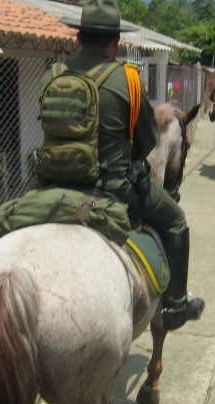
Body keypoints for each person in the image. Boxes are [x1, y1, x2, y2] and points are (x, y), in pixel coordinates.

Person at [44, 0, 205, 331]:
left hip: (53, 184)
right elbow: (146, 143)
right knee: (176, 221)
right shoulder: (127, 80)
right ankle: (176, 304)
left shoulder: (54, 75)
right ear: (115, 42)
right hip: (114, 189)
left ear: (78, 38)